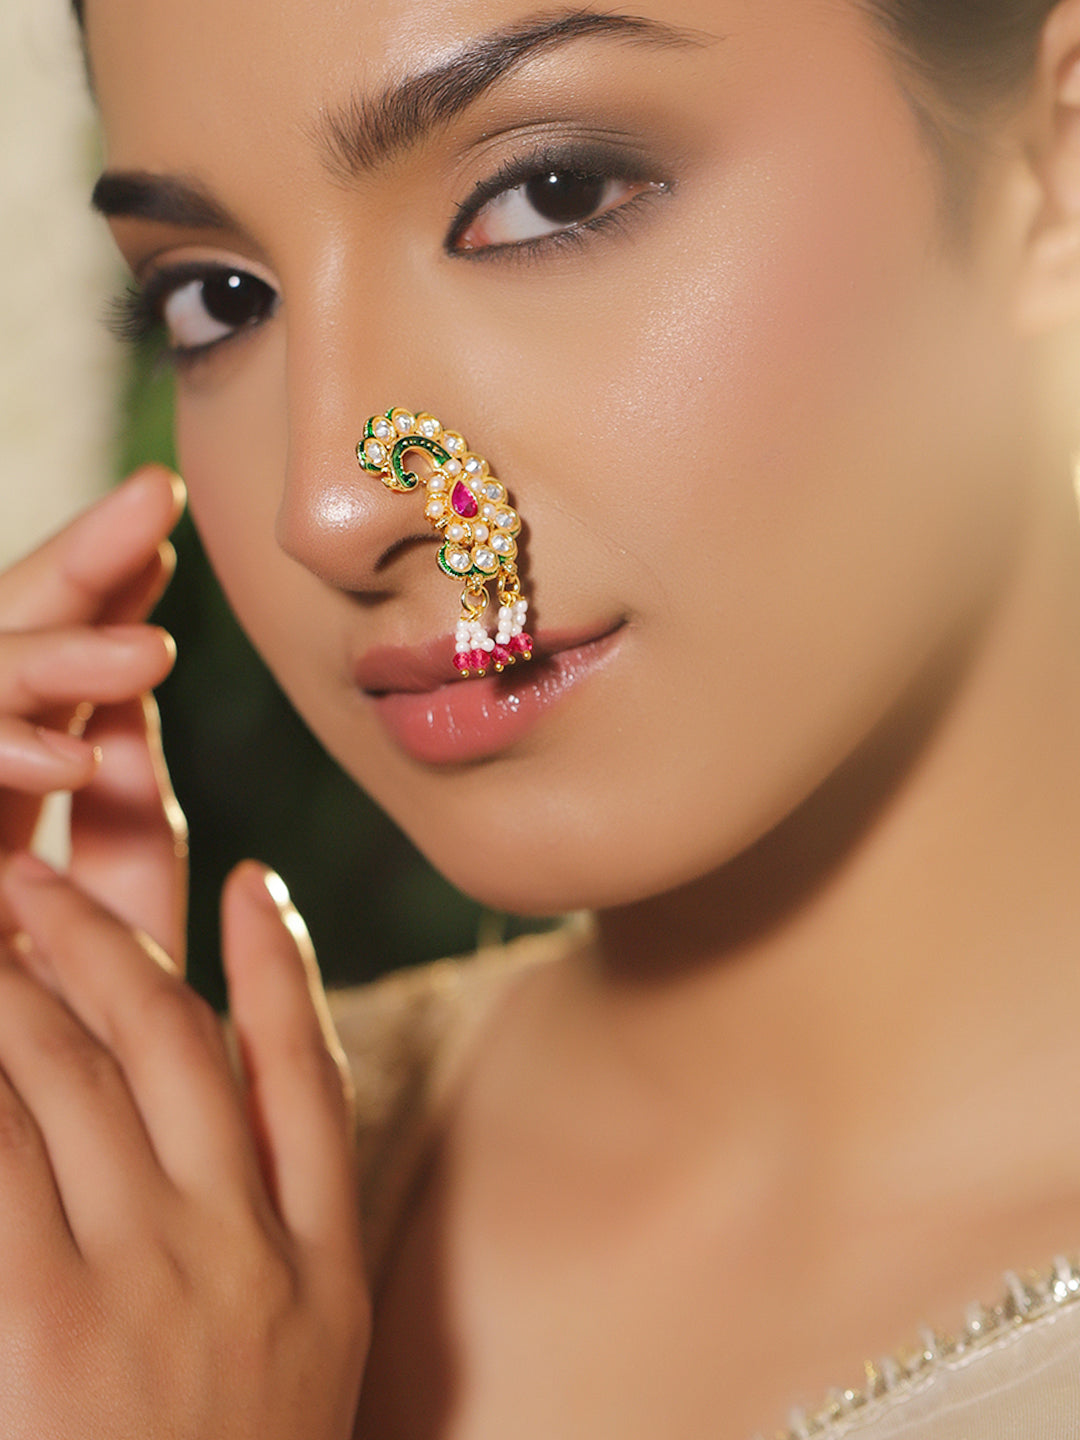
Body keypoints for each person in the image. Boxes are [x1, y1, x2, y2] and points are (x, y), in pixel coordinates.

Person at [5, 0, 1080, 1434]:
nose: (330, 505)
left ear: (1052, 161)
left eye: (548, 195)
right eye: (221, 297)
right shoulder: (103, 1275)